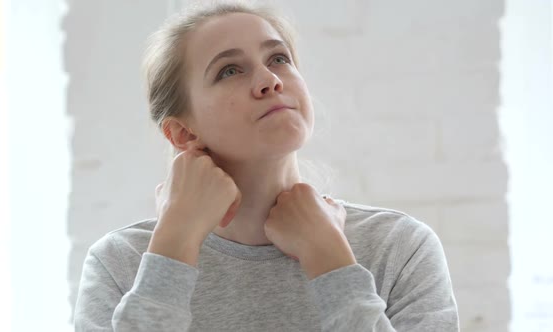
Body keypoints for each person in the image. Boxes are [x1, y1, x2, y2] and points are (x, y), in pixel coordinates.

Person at [73, 1, 460, 331]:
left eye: (278, 58)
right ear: (182, 133)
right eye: (229, 70)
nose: (269, 80)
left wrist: (330, 260)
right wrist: (174, 244)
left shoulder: (398, 247)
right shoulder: (120, 263)